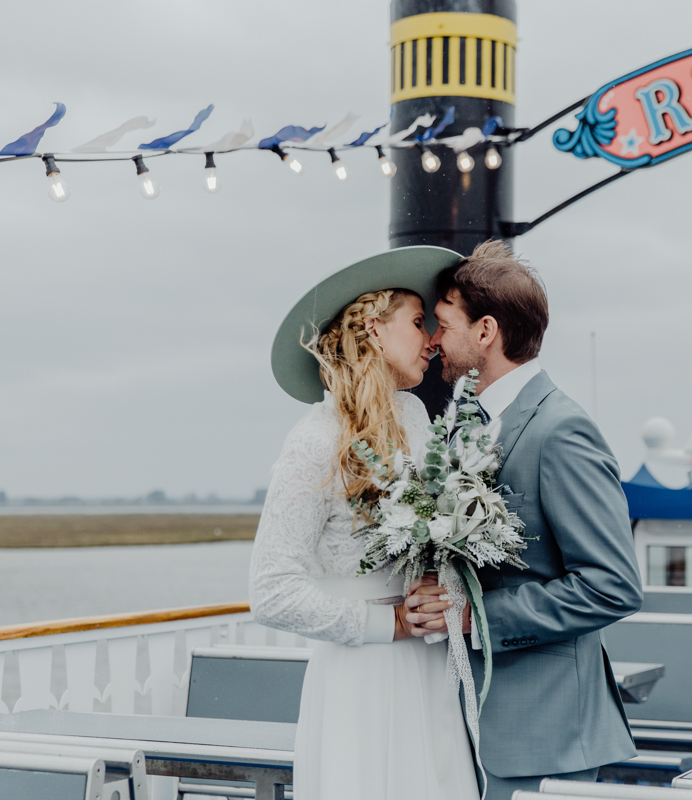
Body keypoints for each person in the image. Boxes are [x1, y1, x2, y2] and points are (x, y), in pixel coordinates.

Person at [408, 239, 644, 800]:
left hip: (543, 730)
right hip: (467, 716)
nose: (434, 340)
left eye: (442, 324)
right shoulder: (466, 423)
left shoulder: (561, 430)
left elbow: (612, 587)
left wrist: (474, 618)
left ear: (485, 331)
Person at [249, 246, 479, 800]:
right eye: (419, 322)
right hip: (361, 679)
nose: (432, 339)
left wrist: (440, 593)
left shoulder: (417, 418)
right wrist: (394, 623)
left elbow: (433, 542)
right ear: (374, 329)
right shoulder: (315, 440)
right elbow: (270, 592)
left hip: (429, 671)